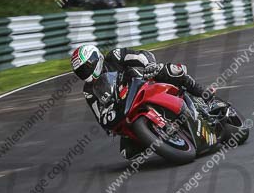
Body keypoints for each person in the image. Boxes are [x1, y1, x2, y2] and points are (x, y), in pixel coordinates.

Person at [70, 45, 213, 159]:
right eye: (80, 72)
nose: (84, 73)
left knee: (171, 71)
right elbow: (99, 114)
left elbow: (141, 55)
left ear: (96, 59)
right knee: (128, 152)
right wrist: (108, 125)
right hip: (124, 109)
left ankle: (205, 96)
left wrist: (149, 65)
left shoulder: (114, 56)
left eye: (86, 68)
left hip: (145, 83)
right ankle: (160, 138)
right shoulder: (88, 91)